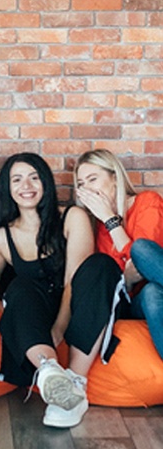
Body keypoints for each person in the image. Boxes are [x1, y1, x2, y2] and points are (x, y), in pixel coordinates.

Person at [0, 152, 116, 429]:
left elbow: (74, 280)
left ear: (46, 183)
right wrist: (2, 310)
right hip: (33, 311)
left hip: (79, 304)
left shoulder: (72, 217)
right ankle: (49, 371)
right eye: (17, 179)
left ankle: (75, 386)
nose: (26, 186)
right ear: (8, 188)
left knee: (101, 265)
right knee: (19, 287)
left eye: (34, 177)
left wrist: (59, 328)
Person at [75, 149, 163, 359]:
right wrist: (127, 279)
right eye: (80, 184)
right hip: (130, 302)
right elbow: (119, 278)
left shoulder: (147, 202)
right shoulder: (92, 226)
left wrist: (111, 220)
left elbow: (144, 260)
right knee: (146, 289)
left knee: (150, 286)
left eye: (92, 179)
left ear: (114, 177)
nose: (86, 188)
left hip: (156, 288)